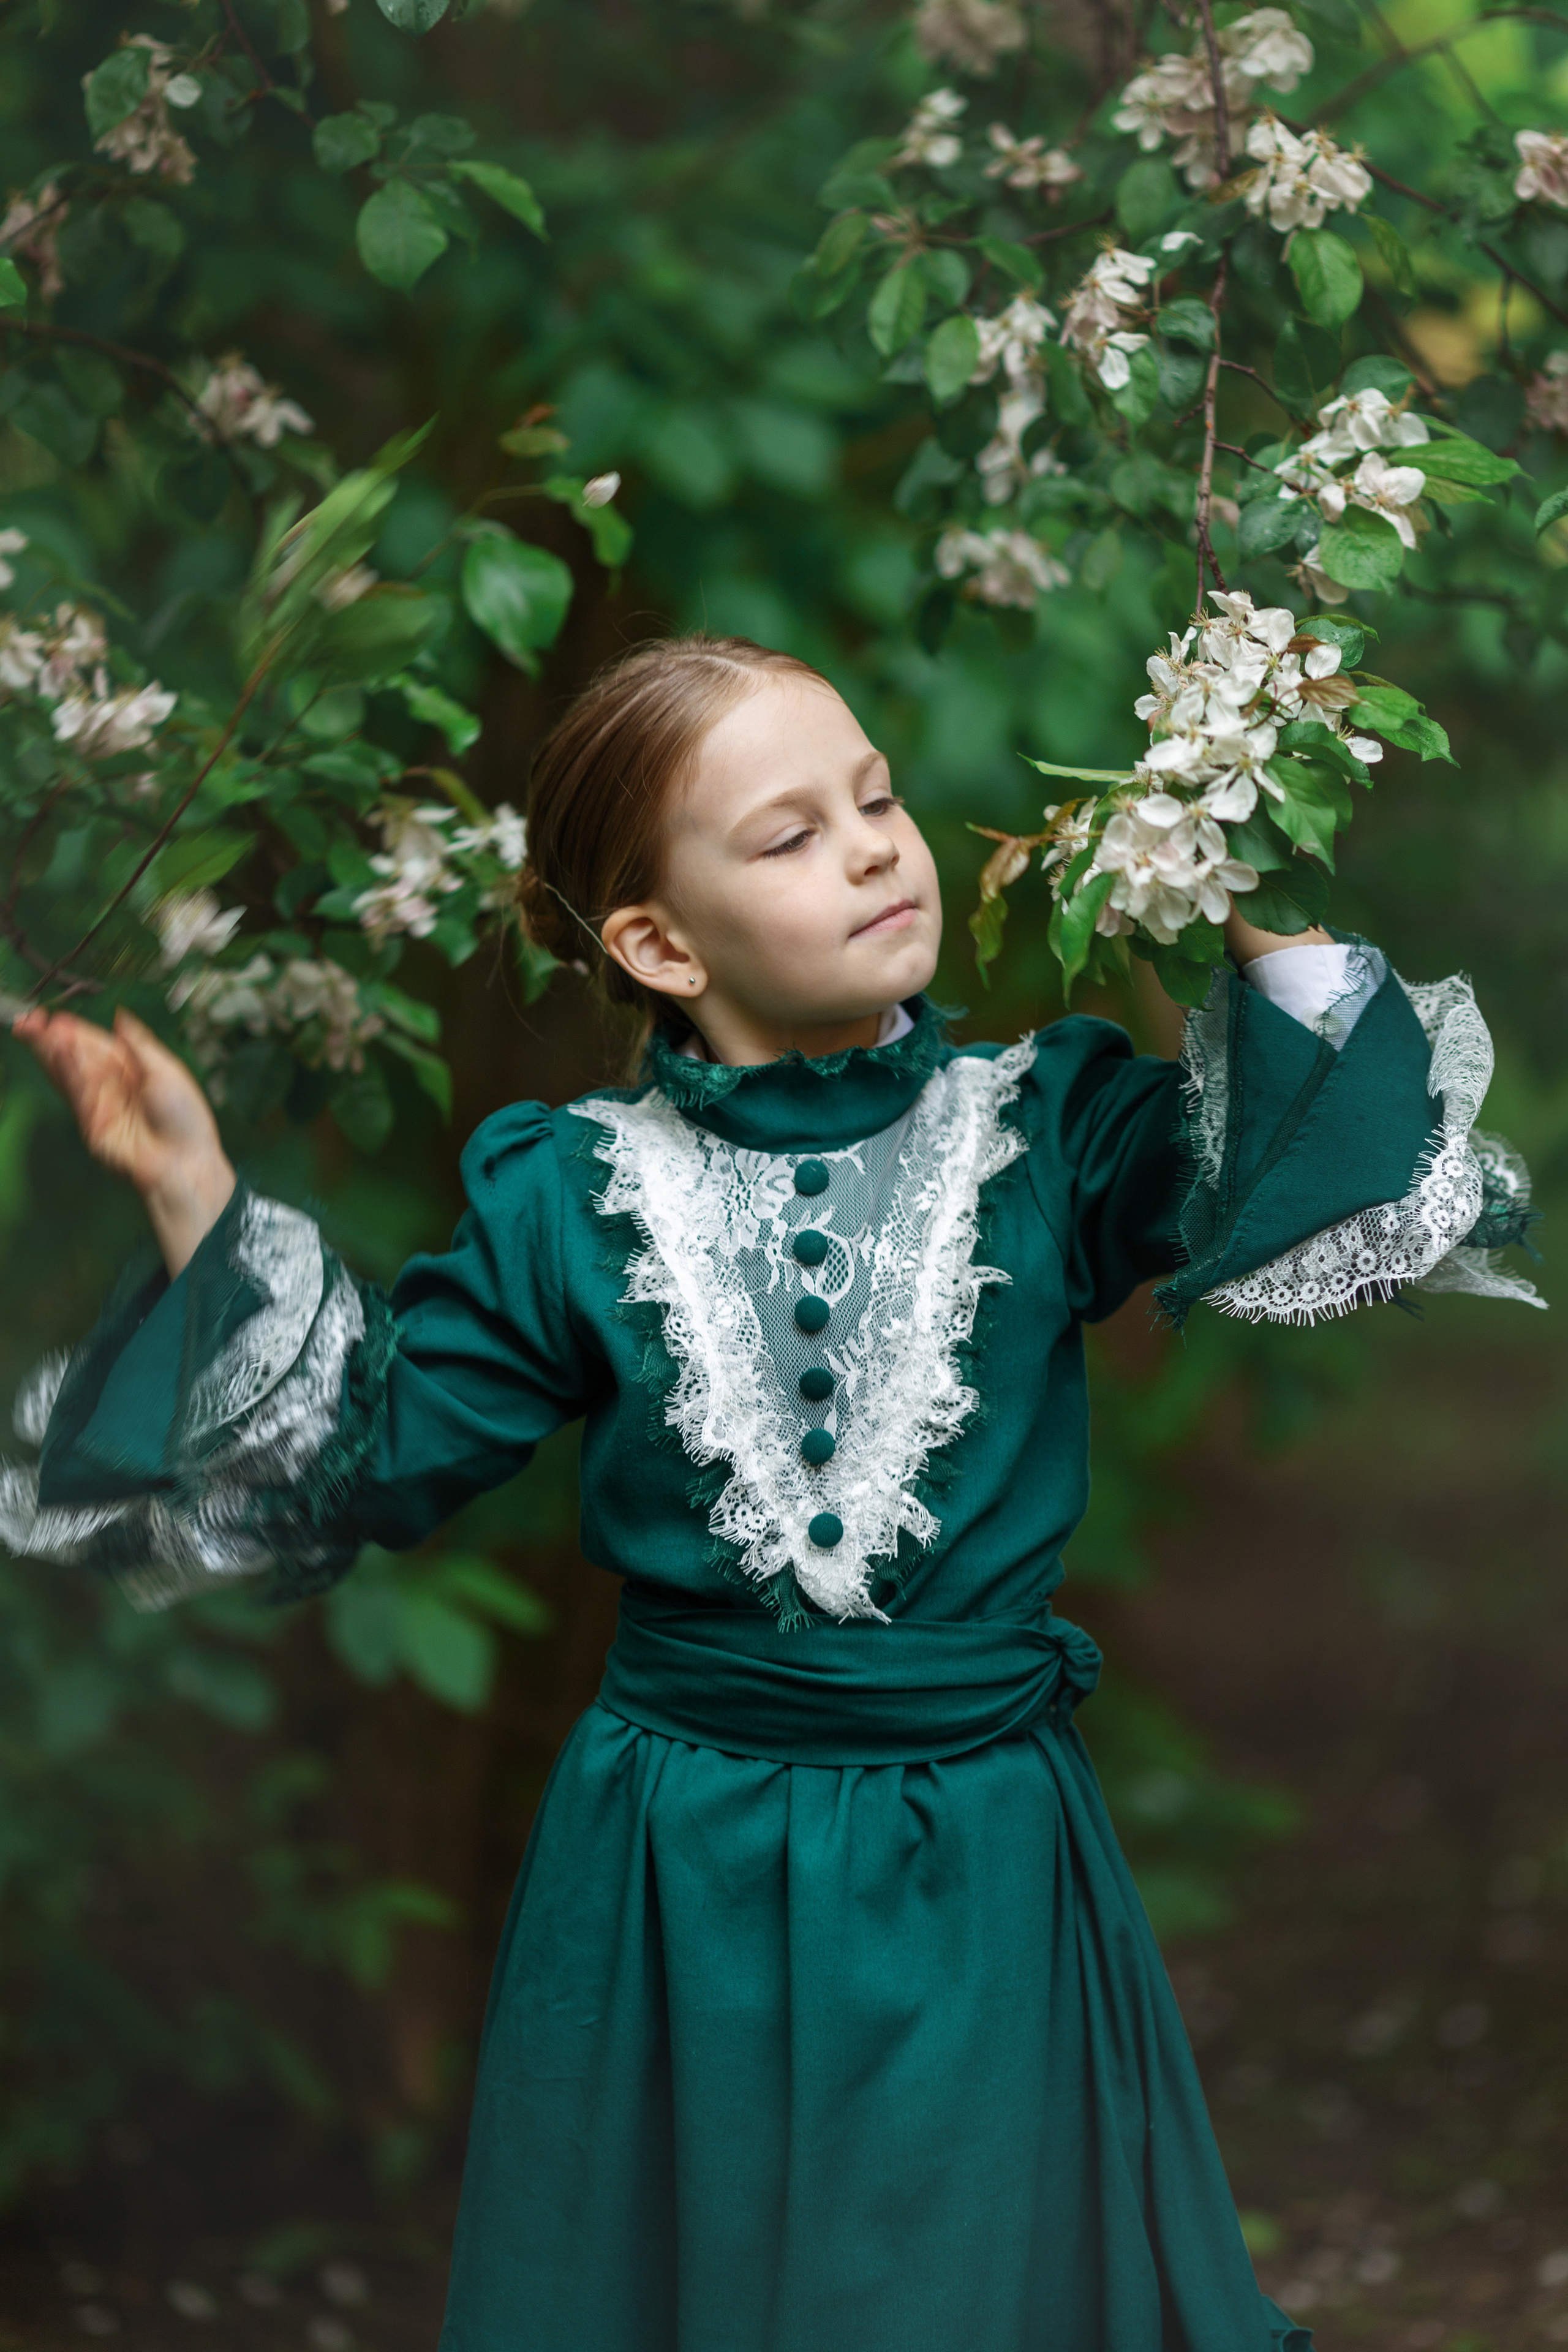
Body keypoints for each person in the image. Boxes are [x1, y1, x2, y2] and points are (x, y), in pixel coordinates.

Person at [4, 635, 1540, 2352]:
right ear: (660, 941)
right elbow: (364, 1458)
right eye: (792, 834)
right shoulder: (569, 1198)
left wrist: (1235, 878)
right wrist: (199, 1197)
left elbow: (1339, 1198)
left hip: (974, 1855)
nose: (878, 846)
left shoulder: (1054, 1126)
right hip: (677, 1879)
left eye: (877, 798)